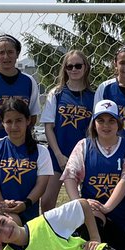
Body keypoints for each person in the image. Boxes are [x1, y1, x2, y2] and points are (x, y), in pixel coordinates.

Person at [62, 99, 125, 250]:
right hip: (92, 213)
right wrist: (79, 203)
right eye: (101, 120)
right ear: (94, 123)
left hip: (119, 215)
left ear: (119, 123)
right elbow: (69, 176)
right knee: (91, 248)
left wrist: (107, 207)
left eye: (111, 121)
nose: (106, 125)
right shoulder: (84, 145)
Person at [0, 97, 53, 225]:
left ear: (28, 120)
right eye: (9, 121)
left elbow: (41, 185)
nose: (14, 126)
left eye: (19, 120)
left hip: (26, 209)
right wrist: (2, 204)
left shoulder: (41, 151)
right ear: (3, 122)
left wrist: (25, 203)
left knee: (12, 225)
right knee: (2, 225)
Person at [39, 49, 94, 212]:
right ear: (65, 69)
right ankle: (50, 235)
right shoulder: (56, 93)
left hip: (84, 157)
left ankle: (83, 233)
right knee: (47, 202)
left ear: (85, 67)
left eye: (78, 65)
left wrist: (82, 157)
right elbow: (48, 127)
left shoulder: (94, 95)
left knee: (83, 203)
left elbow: (94, 130)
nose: (74, 70)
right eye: (70, 67)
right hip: (58, 155)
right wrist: (58, 155)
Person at [0, 33, 42, 146]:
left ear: (17, 54)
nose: (6, 57)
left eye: (10, 52)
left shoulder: (29, 82)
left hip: (20, 146)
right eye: (1, 53)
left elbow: (33, 116)